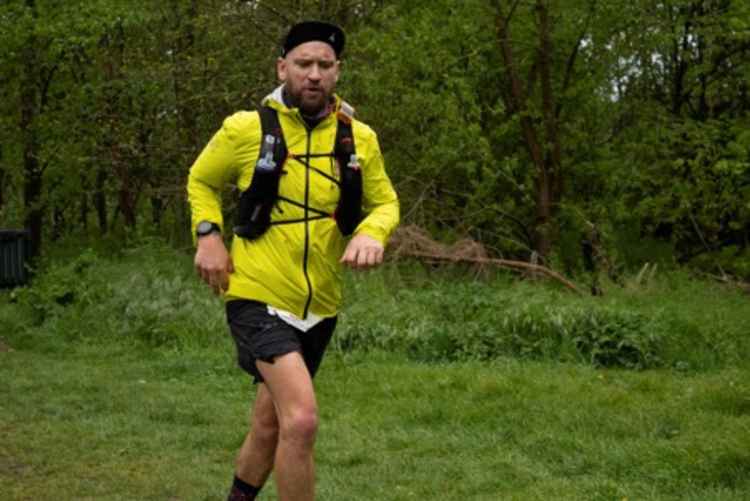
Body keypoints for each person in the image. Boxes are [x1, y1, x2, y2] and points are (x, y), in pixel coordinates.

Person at [187, 20, 399, 501]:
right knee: (300, 420)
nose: (314, 74)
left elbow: (386, 201)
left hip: (321, 304)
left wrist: (372, 231)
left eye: (325, 65)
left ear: (338, 72)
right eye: (304, 63)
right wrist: (208, 235)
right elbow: (200, 179)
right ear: (283, 67)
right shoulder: (246, 129)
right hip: (256, 294)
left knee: (269, 423)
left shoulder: (359, 138)